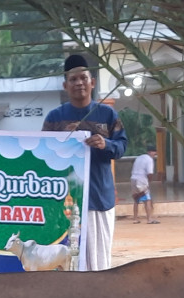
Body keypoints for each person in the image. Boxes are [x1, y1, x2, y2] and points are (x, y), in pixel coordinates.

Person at [42, 54, 127, 270]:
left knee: (99, 263)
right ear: (65, 85)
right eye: (73, 79)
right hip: (64, 201)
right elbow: (43, 154)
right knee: (68, 260)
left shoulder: (107, 115)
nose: (79, 83)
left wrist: (105, 144)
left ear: (92, 82)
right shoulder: (54, 118)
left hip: (98, 199)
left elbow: (121, 147)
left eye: (83, 78)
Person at [130, 145, 158, 224]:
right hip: (141, 180)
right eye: (154, 152)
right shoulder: (149, 160)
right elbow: (150, 173)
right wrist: (149, 181)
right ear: (150, 152)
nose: (155, 154)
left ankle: (135, 218)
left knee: (136, 198)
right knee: (147, 200)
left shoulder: (139, 157)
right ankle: (149, 219)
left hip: (133, 179)